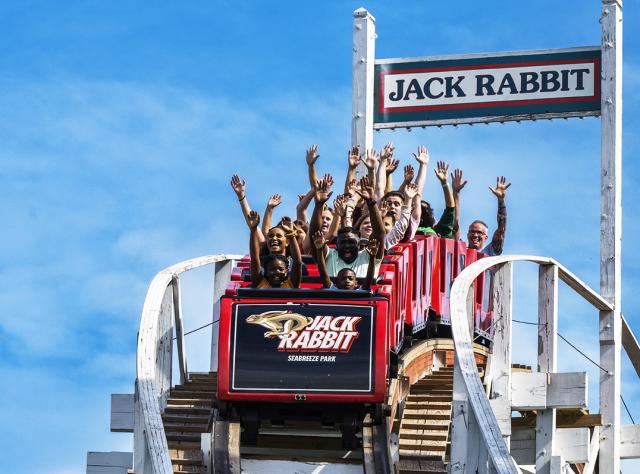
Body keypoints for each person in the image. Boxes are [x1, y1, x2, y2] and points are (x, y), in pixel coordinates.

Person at [310, 175, 384, 278]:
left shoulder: (369, 255)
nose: (347, 246)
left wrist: (371, 202)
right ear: (336, 245)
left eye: (351, 242)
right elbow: (314, 236)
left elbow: (379, 234)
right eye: (343, 242)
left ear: (358, 244)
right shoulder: (329, 256)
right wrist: (318, 206)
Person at [247, 211, 301, 288]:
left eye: (281, 269)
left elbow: (298, 263)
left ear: (286, 271)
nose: (277, 272)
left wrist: (291, 234)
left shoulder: (291, 284)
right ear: (266, 271)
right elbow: (255, 260)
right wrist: (253, 230)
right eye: (272, 269)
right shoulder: (259, 282)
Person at [313, 232, 379, 291]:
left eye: (350, 279)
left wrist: (372, 257)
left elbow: (369, 277)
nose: (347, 281)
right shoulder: (332, 289)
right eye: (343, 279)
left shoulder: (361, 290)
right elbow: (323, 275)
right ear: (337, 283)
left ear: (356, 283)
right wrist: (319, 250)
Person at [465, 176, 510, 256]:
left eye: (479, 233)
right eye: (472, 232)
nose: (475, 235)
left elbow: (501, 230)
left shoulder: (490, 251)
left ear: (486, 237)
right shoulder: (461, 252)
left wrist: (501, 200)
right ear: (467, 235)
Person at [415, 160, 456, 238]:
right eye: (419, 209)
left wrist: (444, 182)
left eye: (425, 211)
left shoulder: (439, 231)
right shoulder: (407, 228)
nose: (422, 214)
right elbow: (417, 195)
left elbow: (450, 208)